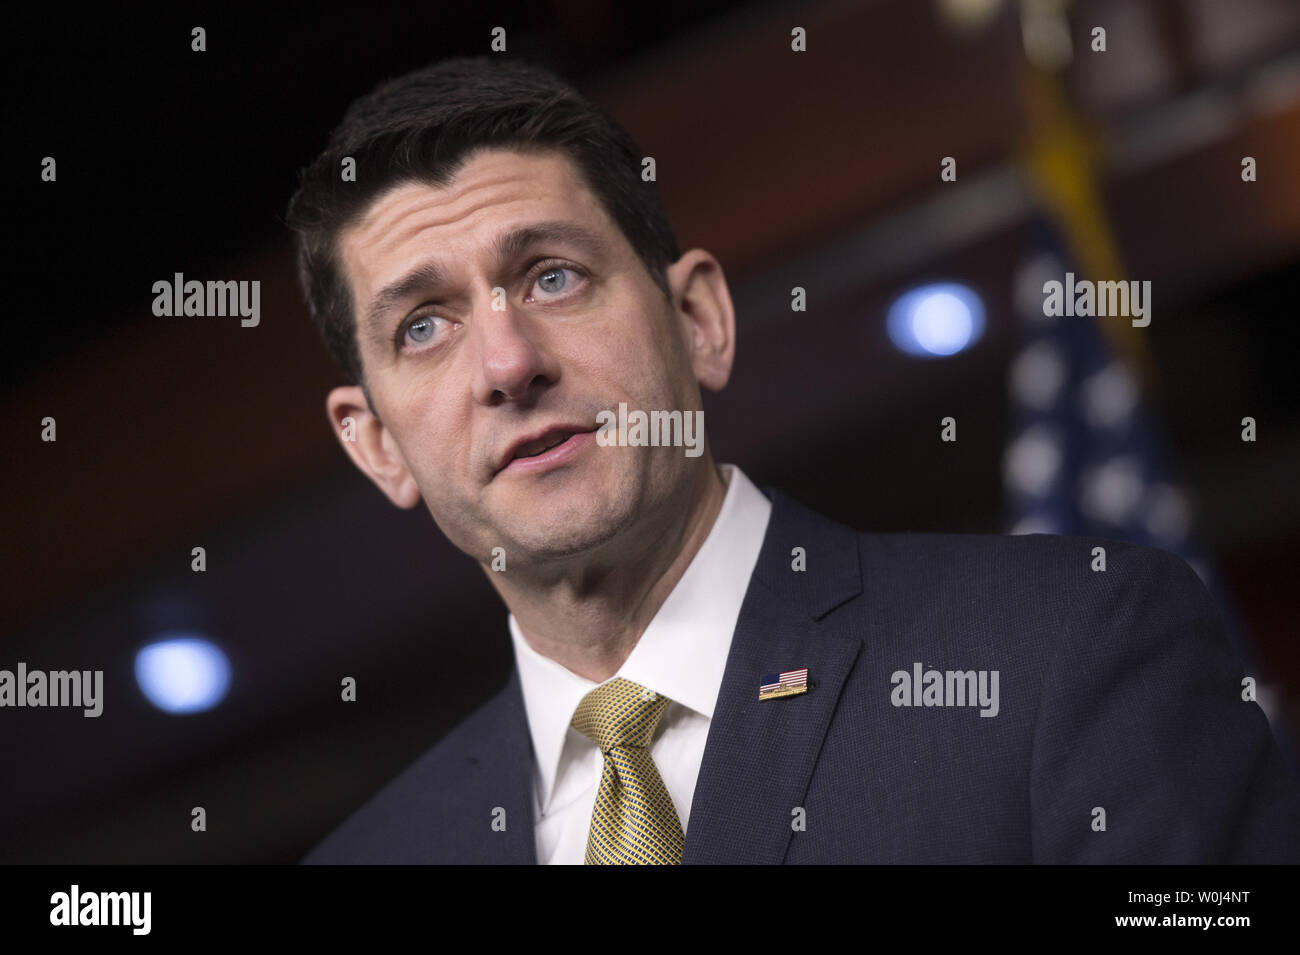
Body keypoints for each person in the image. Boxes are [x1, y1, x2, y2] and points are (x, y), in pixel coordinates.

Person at [288, 56, 1300, 864]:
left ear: (698, 321)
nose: (507, 363)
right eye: (423, 327)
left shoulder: (1070, 648)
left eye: (551, 276)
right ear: (377, 443)